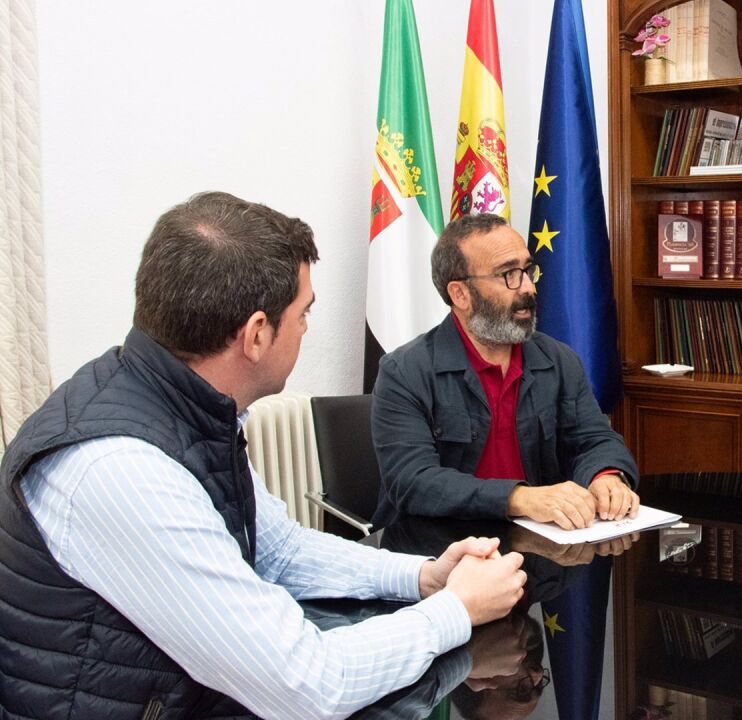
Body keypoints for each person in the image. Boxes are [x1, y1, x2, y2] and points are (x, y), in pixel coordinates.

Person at [0, 192, 528, 720]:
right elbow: (308, 685)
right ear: (256, 335)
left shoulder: (179, 405)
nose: (305, 328)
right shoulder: (124, 471)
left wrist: (424, 577)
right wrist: (455, 609)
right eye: (303, 313)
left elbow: (277, 550)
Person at [370, 213, 640, 530]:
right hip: (435, 546)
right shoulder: (404, 372)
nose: (528, 288)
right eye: (508, 274)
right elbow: (413, 481)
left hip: (537, 543)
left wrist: (606, 475)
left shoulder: (559, 360)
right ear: (460, 294)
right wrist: (518, 498)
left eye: (527, 270)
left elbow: (595, 439)